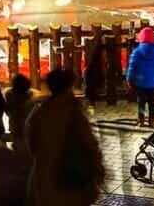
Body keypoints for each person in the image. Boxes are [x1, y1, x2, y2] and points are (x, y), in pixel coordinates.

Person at [24, 69, 105, 206]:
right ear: (68, 87)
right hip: (70, 179)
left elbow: (32, 145)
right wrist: (97, 168)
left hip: (44, 177)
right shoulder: (73, 112)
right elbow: (89, 143)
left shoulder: (39, 112)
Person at [126, 26, 154, 128]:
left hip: (140, 83)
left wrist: (129, 80)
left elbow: (132, 67)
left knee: (141, 102)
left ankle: (141, 120)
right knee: (152, 103)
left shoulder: (136, 52)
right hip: (153, 83)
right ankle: (152, 120)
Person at [3, 73, 37, 147]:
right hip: (27, 131)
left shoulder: (9, 97)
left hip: (15, 129)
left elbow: (6, 110)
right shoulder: (31, 99)